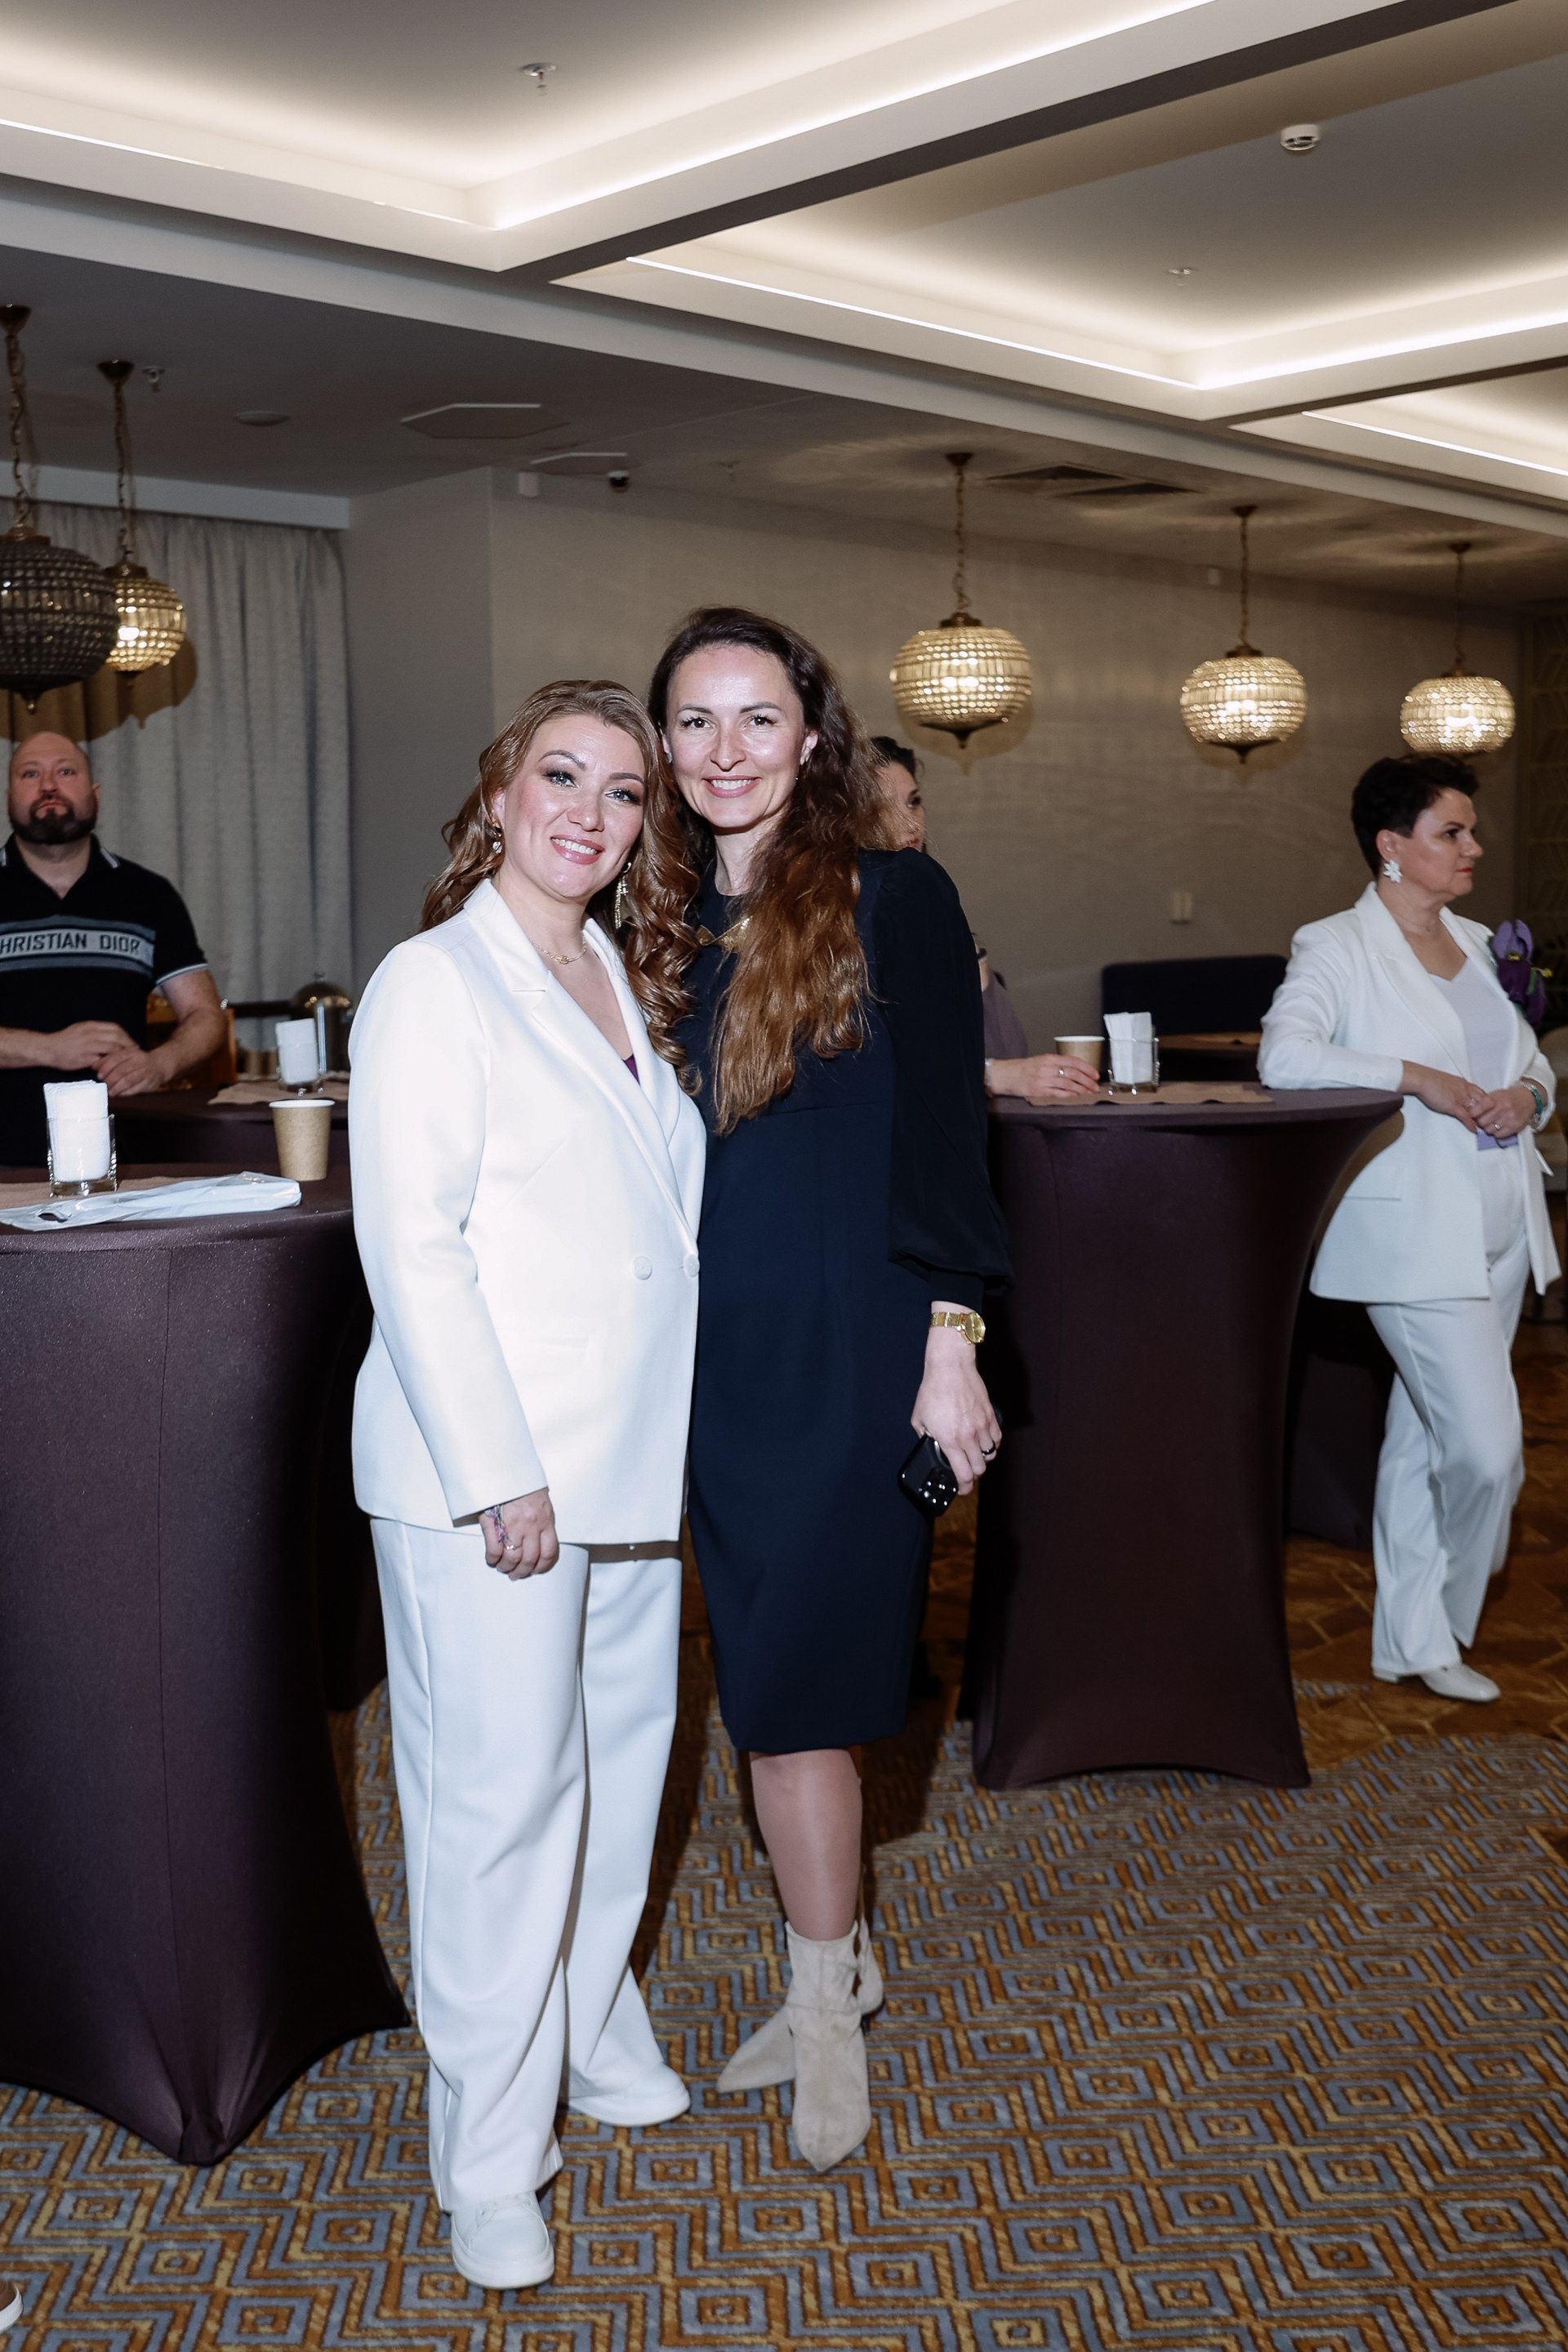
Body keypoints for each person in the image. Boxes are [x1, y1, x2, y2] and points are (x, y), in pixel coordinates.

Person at [627, 608, 1009, 2172]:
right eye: (695, 721)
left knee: (806, 1692)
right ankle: (835, 1959)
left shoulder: (892, 893)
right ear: (662, 744)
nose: (726, 751)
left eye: (757, 718)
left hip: (860, 1349)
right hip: (698, 1363)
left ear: (811, 734)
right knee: (765, 1685)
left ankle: (825, 2004)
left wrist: (953, 1341)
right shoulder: (645, 918)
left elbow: (947, 1135)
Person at [349, 682, 706, 2292]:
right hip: (492, 1477)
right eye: (561, 776)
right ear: (496, 798)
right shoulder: (433, 981)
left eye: (625, 792)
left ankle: (583, 2026)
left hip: (633, 1458)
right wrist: (499, 1473)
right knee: (498, 1812)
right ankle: (488, 2154)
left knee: (621, 1772)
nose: (592, 812)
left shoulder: (615, 969)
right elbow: (413, 1248)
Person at [1260, 754, 1557, 1703]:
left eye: (1470, 830)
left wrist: (1530, 1095)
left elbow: (1532, 1064)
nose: (1475, 847)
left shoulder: (1478, 942)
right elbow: (1285, 1058)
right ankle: (1452, 1617)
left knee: (1423, 1440)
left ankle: (1410, 1641)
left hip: (1503, 1220)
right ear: (1392, 846)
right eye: (1452, 832)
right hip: (1417, 1237)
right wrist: (1418, 1078)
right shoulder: (1336, 944)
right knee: (1487, 1455)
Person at [0, 733, 225, 1164]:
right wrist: (49, 1048)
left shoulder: (149, 895)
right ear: (10, 798)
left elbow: (205, 1015)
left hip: (122, 1164)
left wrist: (160, 1064)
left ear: (95, 794)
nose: (48, 785)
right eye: (30, 774)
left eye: (66, 771)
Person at [868, 734, 1096, 1108]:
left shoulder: (933, 909)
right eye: (884, 807)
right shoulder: (842, 921)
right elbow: (861, 1068)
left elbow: (1008, 1053)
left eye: (914, 802)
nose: (910, 821)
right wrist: (994, 1076)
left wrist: (974, 958)